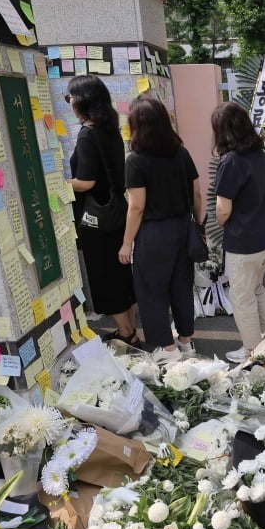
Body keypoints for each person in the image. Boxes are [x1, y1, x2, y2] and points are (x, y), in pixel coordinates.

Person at [119, 96, 201, 364]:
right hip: (182, 227)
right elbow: (197, 193)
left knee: (152, 291)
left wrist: (126, 243)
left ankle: (167, 349)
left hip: (154, 234)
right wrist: (197, 225)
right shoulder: (181, 152)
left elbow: (137, 207)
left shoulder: (136, 161)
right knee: (181, 286)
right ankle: (186, 342)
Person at [67, 76, 139, 346]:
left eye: (70, 97)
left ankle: (128, 334)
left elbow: (86, 181)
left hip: (95, 219)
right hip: (117, 212)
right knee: (121, 276)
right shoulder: (111, 130)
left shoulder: (88, 134)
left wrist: (58, 184)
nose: (70, 102)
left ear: (84, 101)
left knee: (105, 279)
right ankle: (128, 330)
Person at [210, 102, 265, 363]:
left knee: (242, 296)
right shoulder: (256, 153)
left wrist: (220, 223)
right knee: (255, 288)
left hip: (244, 241)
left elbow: (222, 208)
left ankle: (252, 350)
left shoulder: (230, 161)